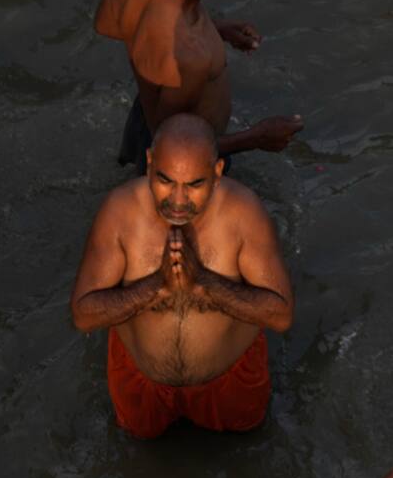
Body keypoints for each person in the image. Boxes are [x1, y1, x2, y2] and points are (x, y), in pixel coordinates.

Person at [70, 114, 294, 438]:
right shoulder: (120, 212)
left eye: (194, 185)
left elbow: (281, 315)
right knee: (138, 464)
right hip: (141, 380)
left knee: (245, 453)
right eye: (165, 180)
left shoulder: (243, 213)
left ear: (217, 173)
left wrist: (205, 282)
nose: (177, 201)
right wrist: (155, 287)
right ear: (148, 162)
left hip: (229, 379)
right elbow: (83, 316)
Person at [94, 0, 304, 174]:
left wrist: (212, 29)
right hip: (183, 163)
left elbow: (109, 25)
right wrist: (258, 137)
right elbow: (167, 142)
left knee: (122, 179)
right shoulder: (191, 56)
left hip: (139, 119)